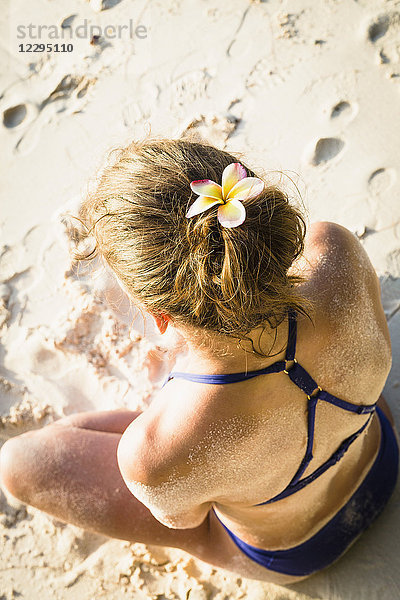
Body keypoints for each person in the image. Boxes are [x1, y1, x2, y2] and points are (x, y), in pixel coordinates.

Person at [0, 138, 398, 584]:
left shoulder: (151, 453)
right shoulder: (335, 252)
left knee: (19, 463)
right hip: (380, 457)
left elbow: (187, 521)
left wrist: (176, 427)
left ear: (160, 317)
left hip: (296, 551)